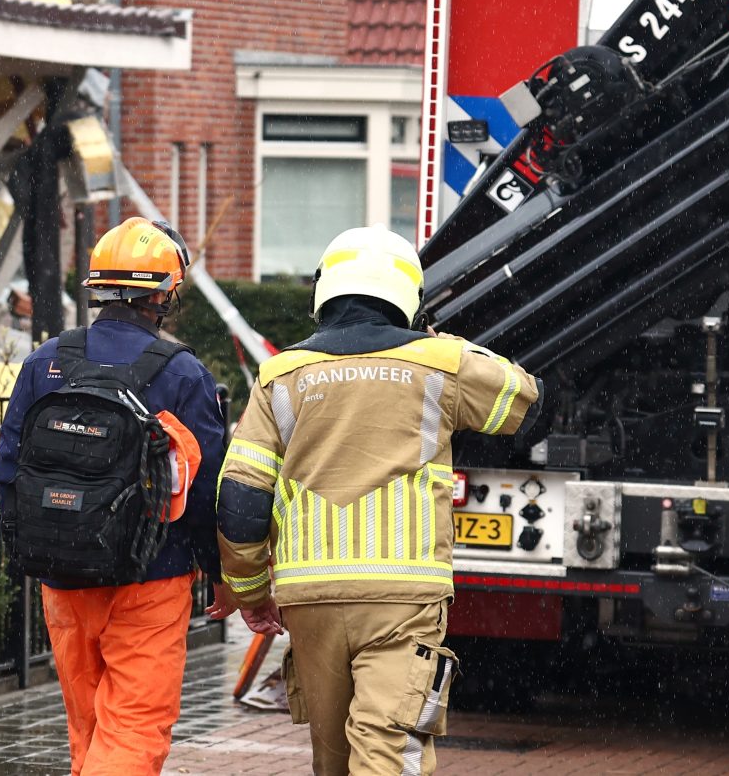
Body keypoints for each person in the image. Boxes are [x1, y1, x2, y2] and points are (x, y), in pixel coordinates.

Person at [217, 226, 541, 776]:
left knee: (335, 761)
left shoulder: (279, 376)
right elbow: (526, 402)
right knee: (389, 751)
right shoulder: (442, 362)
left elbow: (242, 498)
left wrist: (250, 592)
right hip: (403, 598)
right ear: (406, 296)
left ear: (325, 292)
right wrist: (450, 345)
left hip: (310, 597)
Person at [0, 216, 231, 776]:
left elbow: (8, 473)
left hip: (64, 578)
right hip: (151, 576)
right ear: (165, 293)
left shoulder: (44, 363)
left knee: (91, 730)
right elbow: (205, 491)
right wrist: (221, 571)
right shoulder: (183, 375)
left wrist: (38, 546)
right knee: (132, 730)